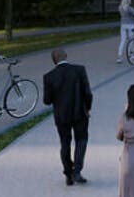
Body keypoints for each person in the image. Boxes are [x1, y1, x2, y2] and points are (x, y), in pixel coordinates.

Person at [43, 48, 93, 186]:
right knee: (81, 140)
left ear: (54, 60)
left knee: (65, 143)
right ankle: (77, 170)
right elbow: (88, 93)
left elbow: (47, 100)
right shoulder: (79, 70)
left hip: (61, 115)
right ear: (66, 55)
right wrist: (87, 108)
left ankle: (68, 173)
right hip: (80, 113)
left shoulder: (49, 77)